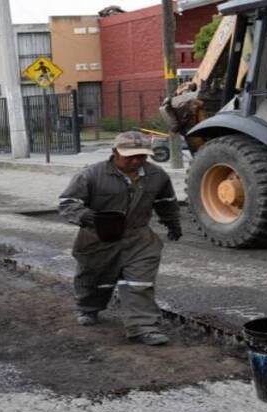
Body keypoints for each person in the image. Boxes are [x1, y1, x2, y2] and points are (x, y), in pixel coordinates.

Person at [58, 132, 182, 346]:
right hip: (99, 237)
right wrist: (86, 216)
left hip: (139, 237)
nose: (136, 161)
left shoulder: (156, 175)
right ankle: (89, 307)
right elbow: (68, 202)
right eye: (130, 156)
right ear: (115, 152)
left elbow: (166, 202)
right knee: (95, 280)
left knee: (139, 283)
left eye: (142, 156)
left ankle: (143, 327)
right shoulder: (91, 174)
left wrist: (172, 223)